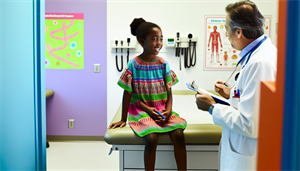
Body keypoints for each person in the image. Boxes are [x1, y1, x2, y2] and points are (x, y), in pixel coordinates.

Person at [195, 0, 277, 170]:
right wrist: (232, 93)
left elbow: (250, 124)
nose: (225, 34)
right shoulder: (263, 54)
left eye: (226, 28)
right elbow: (258, 103)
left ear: (238, 32)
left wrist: (212, 107)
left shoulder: (259, 63)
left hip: (250, 157)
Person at [108, 18, 187, 171]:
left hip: (161, 108)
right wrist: (123, 119)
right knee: (151, 138)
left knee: (178, 134)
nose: (159, 43)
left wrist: (169, 109)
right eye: (154, 39)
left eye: (161, 39)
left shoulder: (163, 64)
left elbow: (169, 90)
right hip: (140, 110)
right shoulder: (134, 64)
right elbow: (128, 93)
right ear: (142, 41)